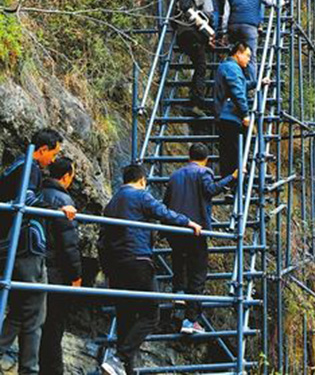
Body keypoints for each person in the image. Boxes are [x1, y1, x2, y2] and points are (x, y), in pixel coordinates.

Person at [99, 164, 203, 375]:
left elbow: (103, 239)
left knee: (126, 316)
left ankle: (123, 368)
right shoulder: (140, 195)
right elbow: (163, 212)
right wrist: (188, 221)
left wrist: (107, 268)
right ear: (142, 181)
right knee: (150, 312)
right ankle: (119, 359)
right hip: (138, 258)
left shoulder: (111, 204)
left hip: (117, 264)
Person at [0, 128, 75, 375]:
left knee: (20, 310)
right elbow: (27, 200)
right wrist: (58, 210)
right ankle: (30, 371)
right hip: (26, 247)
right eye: (53, 154)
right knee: (35, 313)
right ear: (42, 150)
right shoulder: (30, 167)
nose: (52, 160)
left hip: (11, 245)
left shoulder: (15, 166)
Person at [164, 144, 237, 336]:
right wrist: (232, 177)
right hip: (196, 231)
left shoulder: (175, 176)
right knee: (197, 274)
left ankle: (178, 293)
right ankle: (190, 320)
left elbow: (166, 202)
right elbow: (210, 190)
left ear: (189, 156)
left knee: (179, 263)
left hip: (175, 228)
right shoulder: (204, 172)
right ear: (206, 159)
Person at [38, 158, 81, 375]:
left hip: (34, 265)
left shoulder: (37, 194)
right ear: (65, 176)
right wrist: (76, 275)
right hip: (55, 271)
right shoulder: (63, 200)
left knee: (32, 323)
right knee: (54, 326)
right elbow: (69, 243)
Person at [222, 0, 277, 83]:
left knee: (235, 55)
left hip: (233, 27)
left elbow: (225, 16)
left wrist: (224, 32)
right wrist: (282, 2)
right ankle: (252, 84)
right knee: (250, 56)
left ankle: (232, 81)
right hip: (249, 27)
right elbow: (270, 1)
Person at [214, 42, 253, 177]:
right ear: (238, 53)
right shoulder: (233, 68)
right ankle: (234, 184)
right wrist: (245, 114)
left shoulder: (227, 66)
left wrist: (256, 83)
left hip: (224, 114)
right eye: (247, 56)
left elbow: (239, 86)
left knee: (227, 151)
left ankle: (229, 185)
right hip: (230, 115)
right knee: (234, 152)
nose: (249, 59)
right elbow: (237, 91)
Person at [173, 0, 214, 105]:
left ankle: (194, 95)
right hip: (196, 35)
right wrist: (210, 36)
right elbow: (208, 15)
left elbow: (174, 18)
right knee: (201, 67)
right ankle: (197, 101)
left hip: (182, 36)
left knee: (197, 63)